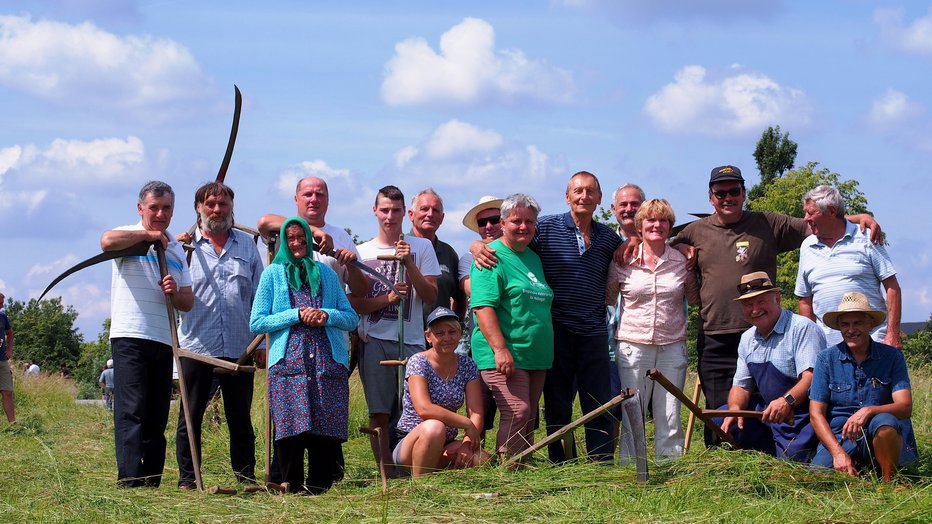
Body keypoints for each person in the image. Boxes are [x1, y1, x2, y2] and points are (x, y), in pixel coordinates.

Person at [671, 165, 880, 446]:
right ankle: (722, 469)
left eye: (734, 191)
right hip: (716, 336)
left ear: (744, 193)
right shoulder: (695, 231)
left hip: (766, 335)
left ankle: (779, 456)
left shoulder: (767, 223)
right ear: (711, 197)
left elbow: (817, 223)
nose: (728, 197)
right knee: (723, 412)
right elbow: (657, 242)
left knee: (775, 405)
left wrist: (857, 218)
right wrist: (678, 247)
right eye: (721, 193)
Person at [473, 172, 625, 462]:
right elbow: (509, 243)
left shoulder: (609, 238)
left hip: (593, 330)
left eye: (590, 191)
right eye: (577, 190)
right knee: (557, 406)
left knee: (598, 402)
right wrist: (477, 245)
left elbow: (630, 252)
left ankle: (600, 461)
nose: (584, 196)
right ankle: (561, 461)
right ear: (567, 197)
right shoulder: (545, 227)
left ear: (600, 198)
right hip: (557, 331)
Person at [257, 175, 364, 482]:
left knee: (324, 424)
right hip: (288, 362)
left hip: (326, 361)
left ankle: (322, 487)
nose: (296, 244)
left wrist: (326, 315)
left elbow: (351, 318)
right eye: (290, 239)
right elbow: (258, 321)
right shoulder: (273, 274)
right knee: (291, 424)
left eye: (302, 239)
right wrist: (295, 315)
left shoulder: (327, 275)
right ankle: (287, 486)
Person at [101, 180, 194, 487]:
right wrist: (148, 236)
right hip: (130, 335)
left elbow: (188, 301)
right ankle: (129, 479)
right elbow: (106, 241)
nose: (160, 214)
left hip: (164, 338)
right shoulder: (130, 238)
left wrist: (174, 293)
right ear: (140, 208)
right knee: (131, 410)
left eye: (166, 208)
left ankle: (152, 478)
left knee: (156, 412)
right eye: (153, 207)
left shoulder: (177, 250)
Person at [174, 182, 263, 489]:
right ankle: (188, 479)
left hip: (241, 346)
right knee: (190, 416)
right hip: (196, 346)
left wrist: (260, 343)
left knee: (240, 418)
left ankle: (245, 477)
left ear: (231, 207)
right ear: (198, 208)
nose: (216, 209)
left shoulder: (247, 246)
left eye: (222, 204)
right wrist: (173, 246)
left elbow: (258, 296)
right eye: (210, 204)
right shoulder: (183, 247)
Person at [351, 185, 440, 471]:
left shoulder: (422, 247)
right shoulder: (361, 252)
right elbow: (354, 304)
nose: (390, 216)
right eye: (385, 210)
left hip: (411, 341)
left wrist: (408, 263)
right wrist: (387, 299)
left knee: (414, 410)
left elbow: (430, 296)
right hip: (374, 339)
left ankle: (413, 466)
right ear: (375, 211)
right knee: (380, 411)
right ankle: (385, 473)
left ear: (405, 213)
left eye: (396, 210)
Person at [606, 199, 698, 461]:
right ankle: (631, 467)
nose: (657, 225)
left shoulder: (682, 260)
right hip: (632, 346)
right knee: (632, 410)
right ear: (639, 225)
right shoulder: (623, 260)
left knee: (669, 412)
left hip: (672, 346)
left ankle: (670, 466)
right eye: (651, 220)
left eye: (664, 220)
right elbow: (608, 298)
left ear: (670, 226)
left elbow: (695, 298)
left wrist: (688, 251)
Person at [471, 194, 554, 460]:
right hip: (505, 352)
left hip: (535, 355)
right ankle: (507, 469)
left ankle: (522, 471)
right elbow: (482, 307)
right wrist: (500, 349)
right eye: (516, 221)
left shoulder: (533, 258)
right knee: (517, 410)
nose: (523, 226)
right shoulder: (491, 257)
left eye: (529, 221)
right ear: (504, 223)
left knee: (527, 419)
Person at [810, 292, 917, 481]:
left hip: (880, 431)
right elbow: (816, 413)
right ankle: (854, 463)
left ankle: (889, 479)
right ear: (839, 327)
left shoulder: (892, 357)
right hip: (841, 435)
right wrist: (838, 453)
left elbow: (905, 407)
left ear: (870, 324)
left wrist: (869, 411)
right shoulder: (826, 359)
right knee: (818, 476)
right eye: (845, 324)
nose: (851, 329)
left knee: (886, 422)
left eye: (858, 323)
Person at [718, 272, 825, 461]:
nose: (755, 309)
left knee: (793, 466)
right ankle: (760, 458)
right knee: (721, 418)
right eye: (749, 304)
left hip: (801, 416)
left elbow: (811, 378)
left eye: (761, 302)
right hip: (769, 414)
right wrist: (735, 410)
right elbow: (741, 386)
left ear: (777, 298)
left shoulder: (802, 328)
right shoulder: (747, 338)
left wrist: (787, 401)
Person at [795, 185, 901, 348]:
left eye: (810, 212)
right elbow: (805, 300)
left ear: (831, 211)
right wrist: (809, 346)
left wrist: (892, 334)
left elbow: (892, 287)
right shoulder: (807, 246)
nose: (805, 218)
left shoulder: (866, 237)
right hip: (829, 349)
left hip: (873, 343)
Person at [394, 307, 488, 476]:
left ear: (460, 334)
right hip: (412, 441)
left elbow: (476, 412)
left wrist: (466, 444)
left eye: (452, 332)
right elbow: (424, 409)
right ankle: (420, 486)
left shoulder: (467, 365)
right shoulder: (418, 362)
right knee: (434, 427)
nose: (447, 338)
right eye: (439, 333)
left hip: (447, 443)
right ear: (428, 337)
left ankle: (442, 478)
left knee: (482, 459)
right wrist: (466, 423)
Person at [606, 183, 645, 453]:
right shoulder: (604, 242)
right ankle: (612, 461)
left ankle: (641, 460)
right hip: (608, 339)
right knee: (611, 403)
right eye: (623, 205)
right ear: (613, 210)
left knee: (645, 405)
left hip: (647, 339)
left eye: (635, 204)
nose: (629, 209)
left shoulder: (661, 241)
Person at [409, 189, 466, 323]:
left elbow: (460, 298)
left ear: (442, 217)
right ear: (411, 215)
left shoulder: (449, 253)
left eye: (436, 210)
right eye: (424, 209)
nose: (430, 214)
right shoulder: (399, 249)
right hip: (405, 338)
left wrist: (456, 326)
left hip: (440, 339)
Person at [0, 292, 15, 424]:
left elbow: (10, 333)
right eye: (0, 302)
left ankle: (12, 424)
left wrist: (9, 349)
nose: (2, 305)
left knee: (7, 391)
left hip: (2, 359)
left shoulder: (3, 317)